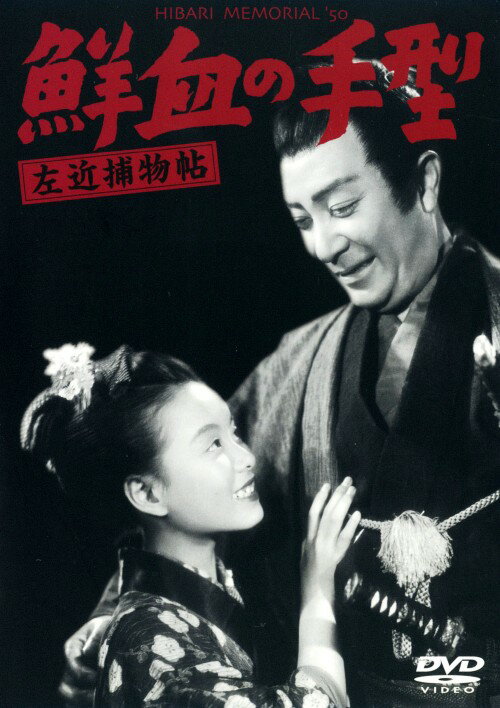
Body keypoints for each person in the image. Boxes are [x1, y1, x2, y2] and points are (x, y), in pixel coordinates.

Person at [62, 62, 500, 706]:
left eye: (342, 208)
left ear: (425, 182)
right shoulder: (303, 360)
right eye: (302, 220)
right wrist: (116, 608)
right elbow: (176, 481)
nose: (323, 246)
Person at [21, 343, 361, 707]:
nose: (247, 458)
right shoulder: (146, 637)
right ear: (147, 493)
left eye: (234, 433)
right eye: (213, 445)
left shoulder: (189, 597)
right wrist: (317, 589)